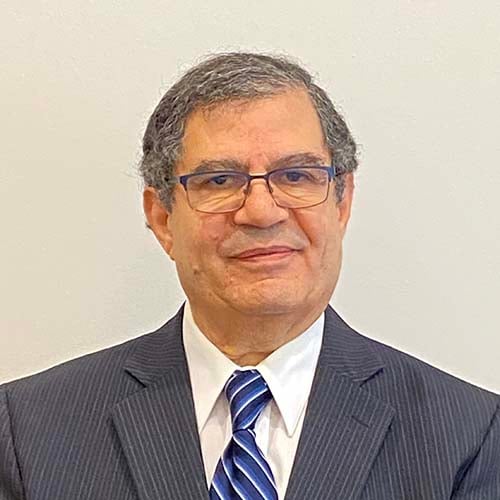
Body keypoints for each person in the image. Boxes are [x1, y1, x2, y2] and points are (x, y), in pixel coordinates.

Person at [0, 53, 498, 500]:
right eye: (220, 180)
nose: (261, 212)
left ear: (342, 202)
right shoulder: (30, 430)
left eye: (297, 176)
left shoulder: (469, 437)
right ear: (162, 218)